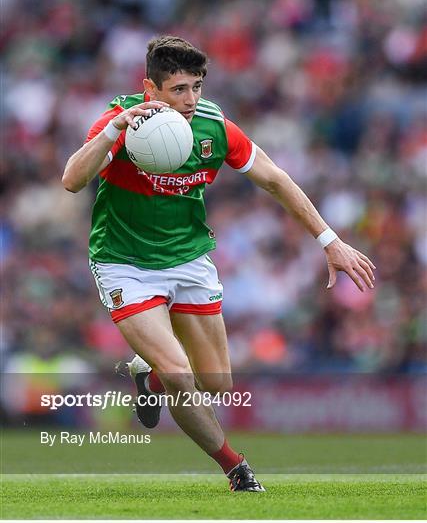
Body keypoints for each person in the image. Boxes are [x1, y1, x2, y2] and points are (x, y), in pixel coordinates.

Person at [62, 35, 376, 492]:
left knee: (217, 385)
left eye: (197, 87)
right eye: (179, 89)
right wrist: (114, 131)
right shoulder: (120, 123)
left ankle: (145, 376)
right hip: (124, 263)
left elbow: (273, 177)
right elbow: (72, 180)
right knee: (179, 373)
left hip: (189, 258)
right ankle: (236, 468)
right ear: (149, 88)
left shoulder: (213, 125)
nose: (191, 100)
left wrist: (330, 241)